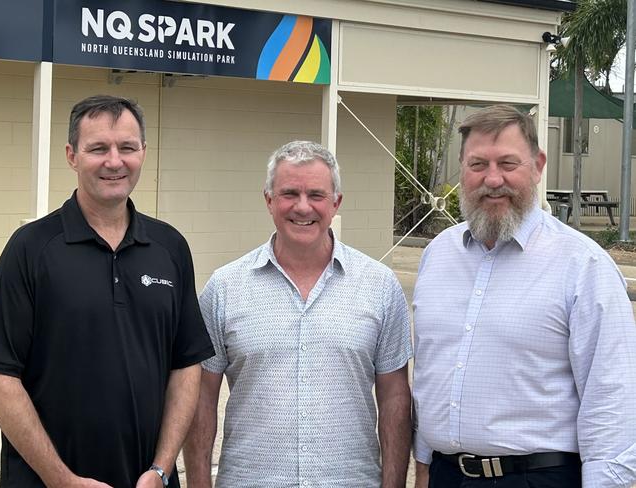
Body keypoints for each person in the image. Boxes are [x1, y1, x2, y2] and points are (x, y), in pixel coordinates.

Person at [0, 95, 215, 488]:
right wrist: (62, 480)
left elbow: (185, 365)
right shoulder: (30, 248)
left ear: (143, 152)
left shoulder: (170, 248)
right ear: (72, 155)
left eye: (127, 147)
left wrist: (161, 469)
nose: (114, 161)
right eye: (98, 148)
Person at [412, 105, 636, 488]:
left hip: (539, 477)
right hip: (448, 475)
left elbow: (612, 402)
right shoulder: (438, 255)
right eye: (478, 164)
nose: (493, 179)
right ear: (462, 167)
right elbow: (431, 374)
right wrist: (424, 466)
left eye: (508, 164)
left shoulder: (582, 266)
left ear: (537, 165)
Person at [183, 140, 413, 487]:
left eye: (317, 195)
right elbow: (201, 398)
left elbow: (395, 396)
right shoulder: (225, 288)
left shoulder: (380, 286)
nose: (303, 207)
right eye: (289, 193)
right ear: (268, 200)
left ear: (336, 202)